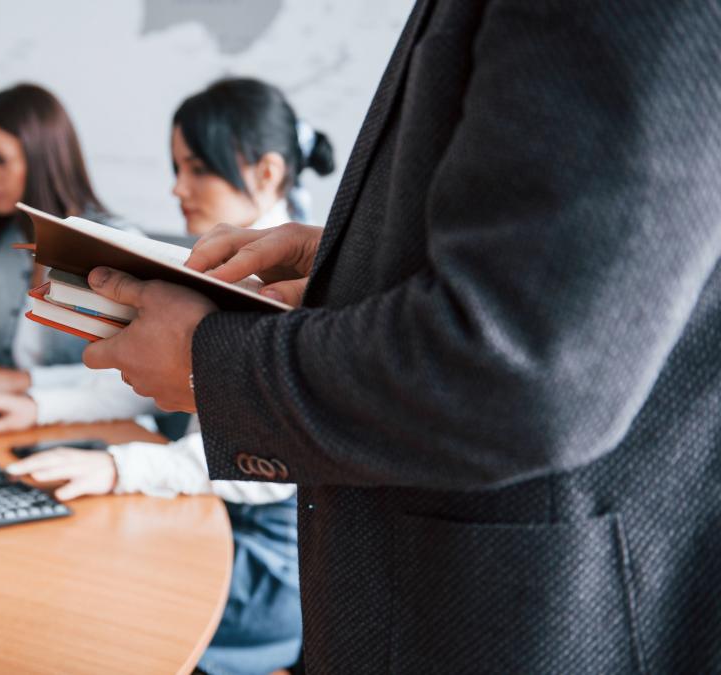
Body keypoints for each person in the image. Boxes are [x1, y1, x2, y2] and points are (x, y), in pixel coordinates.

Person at [76, 1, 721, 672]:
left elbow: (526, 364)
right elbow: (557, 263)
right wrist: (349, 262)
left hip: (525, 619)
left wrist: (205, 361)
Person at [0, 77, 335, 674]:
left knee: (72, 587)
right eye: (175, 166)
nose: (177, 188)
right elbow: (130, 375)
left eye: (196, 168)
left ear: (266, 172)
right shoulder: (220, 262)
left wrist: (115, 466)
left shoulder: (307, 291)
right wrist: (35, 402)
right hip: (199, 519)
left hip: (259, 566)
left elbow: (262, 471)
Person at [0, 83, 127, 401]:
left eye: (0, 160)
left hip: (83, 436)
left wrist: (16, 382)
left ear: (42, 158)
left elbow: (128, 379)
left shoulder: (116, 246)